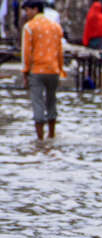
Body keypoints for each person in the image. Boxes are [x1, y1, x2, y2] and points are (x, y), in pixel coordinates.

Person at [21, 0, 64, 140]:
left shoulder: (29, 27)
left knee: (37, 103)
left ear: (35, 9)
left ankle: (40, 140)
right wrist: (60, 69)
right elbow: (60, 51)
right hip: (53, 70)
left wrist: (25, 72)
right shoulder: (56, 26)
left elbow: (26, 52)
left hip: (37, 71)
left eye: (27, 10)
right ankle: (51, 135)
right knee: (51, 102)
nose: (26, 13)